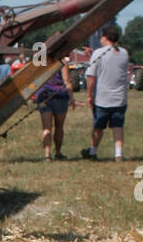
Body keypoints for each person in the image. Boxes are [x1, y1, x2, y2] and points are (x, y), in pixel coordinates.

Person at [81, 23, 130, 161]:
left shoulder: (98, 53)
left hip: (102, 98)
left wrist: (89, 95)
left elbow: (91, 77)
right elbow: (111, 62)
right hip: (120, 98)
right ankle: (118, 154)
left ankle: (92, 151)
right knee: (118, 126)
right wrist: (93, 55)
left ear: (105, 37)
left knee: (98, 127)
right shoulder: (124, 53)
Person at [35, 57, 74, 160]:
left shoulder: (40, 61)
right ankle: (58, 152)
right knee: (59, 126)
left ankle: (47, 155)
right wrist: (71, 98)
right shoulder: (61, 60)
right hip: (60, 96)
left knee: (46, 128)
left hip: (43, 96)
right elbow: (67, 80)